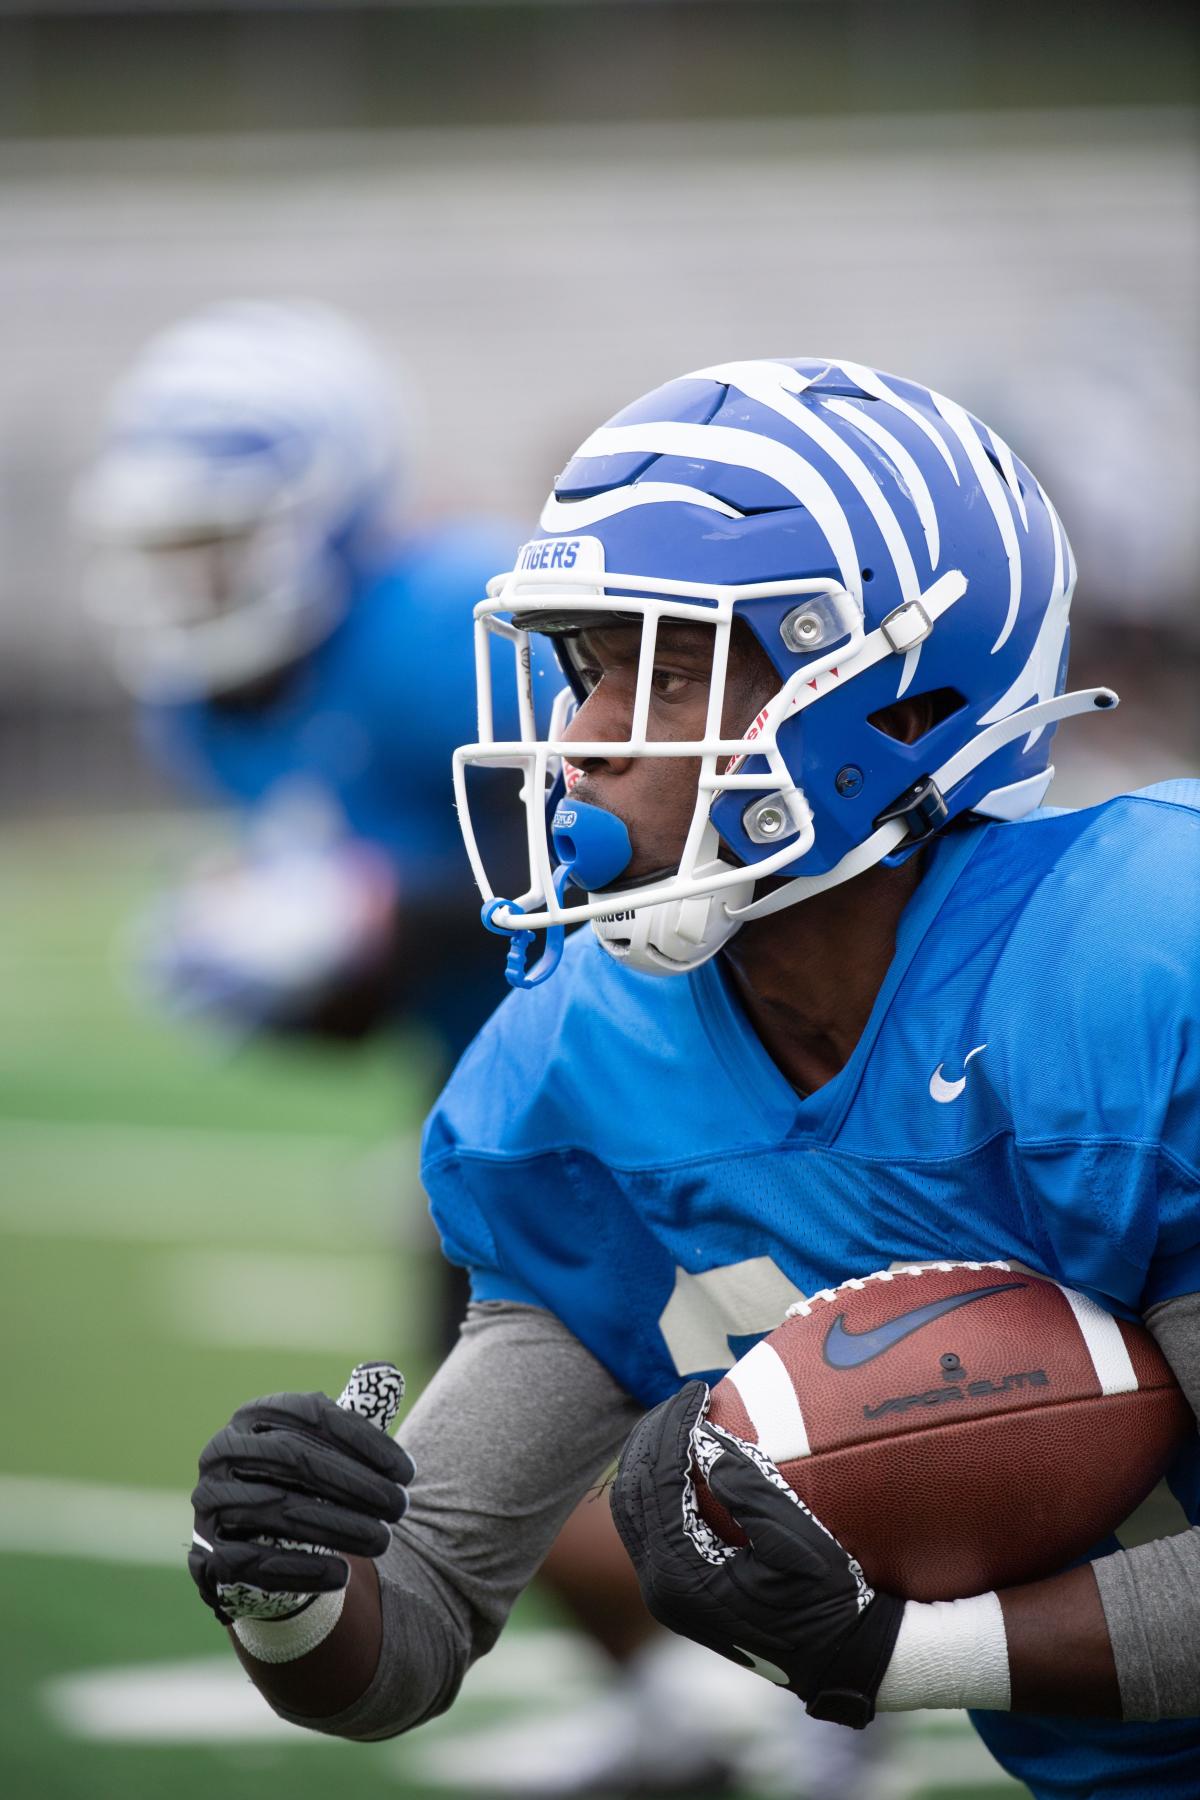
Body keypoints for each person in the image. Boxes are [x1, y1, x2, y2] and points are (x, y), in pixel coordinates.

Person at [187, 358, 1200, 1800]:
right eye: (590, 668)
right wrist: (289, 1582)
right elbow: (403, 1635)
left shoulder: (1138, 970)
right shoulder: (589, 1059)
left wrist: (896, 1655)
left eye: (668, 669)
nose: (591, 738)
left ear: (902, 708)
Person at [75, 298, 538, 1057]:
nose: (193, 585)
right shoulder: (195, 710)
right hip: (481, 1066)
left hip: (619, 1065)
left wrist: (377, 912)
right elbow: (373, 1008)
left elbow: (605, 881)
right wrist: (280, 969)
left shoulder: (446, 616)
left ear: (335, 510)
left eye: (219, 540)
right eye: (168, 552)